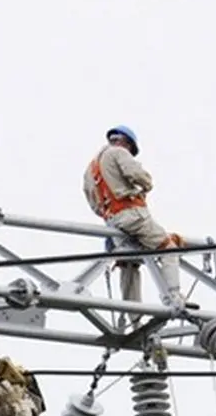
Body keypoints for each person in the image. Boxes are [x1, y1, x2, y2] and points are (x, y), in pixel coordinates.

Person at [83, 125, 196, 315]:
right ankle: (174, 297)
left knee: (129, 263)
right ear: (126, 142)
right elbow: (137, 175)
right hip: (132, 215)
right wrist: (146, 184)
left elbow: (93, 202)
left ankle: (133, 315)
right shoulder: (119, 152)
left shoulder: (90, 169)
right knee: (168, 247)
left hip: (113, 221)